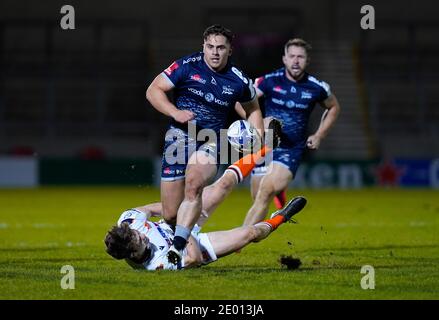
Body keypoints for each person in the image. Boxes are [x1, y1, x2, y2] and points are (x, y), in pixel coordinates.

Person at [146, 24, 264, 265]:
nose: (215, 52)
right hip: (178, 139)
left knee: (194, 182)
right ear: (203, 47)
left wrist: (258, 137)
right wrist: (174, 111)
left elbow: (253, 110)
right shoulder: (186, 66)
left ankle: (177, 248)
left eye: (221, 47)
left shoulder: (239, 81)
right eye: (210, 47)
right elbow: (153, 90)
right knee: (170, 213)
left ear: (230, 50)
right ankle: (180, 235)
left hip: (211, 141)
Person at [239, 38, 340, 225]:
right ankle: (279, 190)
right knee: (257, 197)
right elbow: (240, 101)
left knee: (265, 192)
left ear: (307, 61)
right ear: (284, 59)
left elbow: (333, 107)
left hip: (291, 149)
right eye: (292, 56)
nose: (296, 61)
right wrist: (256, 123)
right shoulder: (269, 81)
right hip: (266, 145)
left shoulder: (316, 86)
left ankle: (238, 241)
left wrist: (319, 135)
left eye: (300, 57)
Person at [104, 196, 307, 270]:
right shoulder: (157, 265)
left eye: (136, 233)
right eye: (138, 240)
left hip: (178, 223)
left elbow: (147, 209)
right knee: (251, 234)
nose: (142, 235)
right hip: (192, 244)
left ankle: (263, 148)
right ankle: (279, 217)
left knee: (220, 187)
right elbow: (194, 258)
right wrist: (183, 227)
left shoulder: (128, 224)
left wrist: (176, 213)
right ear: (132, 254)